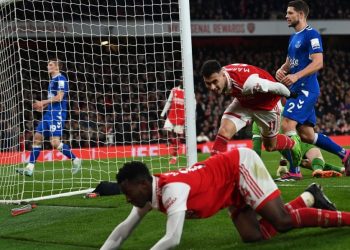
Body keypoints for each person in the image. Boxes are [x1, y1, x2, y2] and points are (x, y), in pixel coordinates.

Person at [100, 148, 349, 250]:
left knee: (282, 221)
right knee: (252, 236)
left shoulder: (171, 190)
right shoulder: (148, 194)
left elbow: (172, 238)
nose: (127, 199)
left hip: (239, 167)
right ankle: (310, 196)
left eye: (128, 192)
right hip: (227, 189)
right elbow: (122, 231)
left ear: (143, 184)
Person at [275, 0, 350, 179]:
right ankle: (344, 154)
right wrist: (283, 69)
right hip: (297, 88)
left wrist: (296, 76)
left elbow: (318, 62)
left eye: (290, 13)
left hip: (306, 89)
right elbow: (289, 61)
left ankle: (294, 171)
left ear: (301, 14)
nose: (286, 16)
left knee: (287, 125)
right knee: (307, 135)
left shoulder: (312, 35)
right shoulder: (293, 37)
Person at [200, 60, 301, 167]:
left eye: (215, 82)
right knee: (224, 131)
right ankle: (213, 169)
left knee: (270, 146)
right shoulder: (223, 74)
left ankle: (293, 143)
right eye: (208, 83)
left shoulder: (248, 83)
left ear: (223, 74)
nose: (212, 87)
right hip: (244, 102)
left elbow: (277, 87)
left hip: (267, 107)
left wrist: (291, 95)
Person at [16, 58, 81, 177]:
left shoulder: (61, 79)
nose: (48, 66)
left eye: (50, 65)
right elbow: (53, 99)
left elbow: (60, 97)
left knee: (54, 142)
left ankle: (76, 159)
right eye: (48, 64)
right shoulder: (52, 81)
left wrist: (42, 102)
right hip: (48, 113)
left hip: (58, 114)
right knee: (37, 137)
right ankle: (29, 168)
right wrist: (44, 106)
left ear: (57, 67)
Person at [251, 121, 344, 179]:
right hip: (300, 140)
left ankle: (318, 170)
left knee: (303, 163)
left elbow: (257, 149)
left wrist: (255, 170)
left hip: (288, 147)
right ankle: (326, 169)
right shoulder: (283, 110)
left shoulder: (257, 122)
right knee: (316, 154)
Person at [160, 79, 185, 165]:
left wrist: (190, 118)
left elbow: (193, 104)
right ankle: (170, 141)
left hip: (181, 118)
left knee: (177, 137)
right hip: (171, 116)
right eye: (182, 79)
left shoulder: (188, 92)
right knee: (165, 131)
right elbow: (169, 102)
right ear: (180, 81)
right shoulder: (174, 90)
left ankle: (174, 157)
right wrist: (162, 114)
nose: (183, 81)